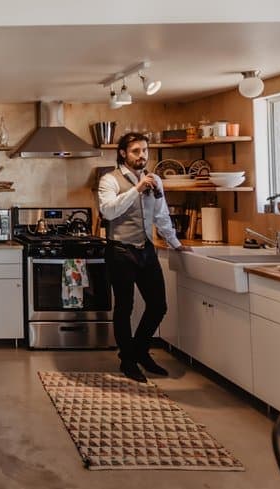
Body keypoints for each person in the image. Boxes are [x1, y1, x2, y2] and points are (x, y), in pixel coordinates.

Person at [97, 132, 192, 383]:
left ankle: (138, 350)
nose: (142, 155)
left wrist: (175, 243)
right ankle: (128, 360)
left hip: (146, 249)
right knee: (124, 308)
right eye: (136, 151)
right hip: (120, 250)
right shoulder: (110, 180)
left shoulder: (155, 180)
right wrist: (137, 189)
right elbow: (108, 211)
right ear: (123, 153)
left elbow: (161, 215)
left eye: (145, 151)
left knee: (158, 305)